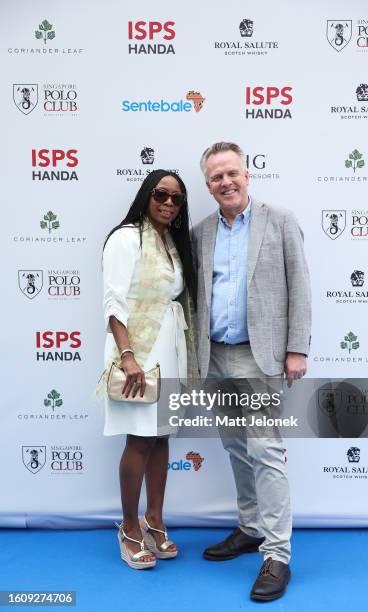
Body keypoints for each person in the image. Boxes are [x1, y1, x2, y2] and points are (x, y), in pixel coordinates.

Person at [193, 142, 311, 601]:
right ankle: (249, 527)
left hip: (258, 356)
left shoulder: (279, 220)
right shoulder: (202, 230)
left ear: (247, 174)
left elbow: (300, 286)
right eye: (216, 177)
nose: (226, 181)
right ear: (208, 185)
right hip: (215, 355)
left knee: (265, 451)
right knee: (236, 448)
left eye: (232, 173)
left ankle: (277, 555)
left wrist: (296, 348)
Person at [101, 170, 197, 570]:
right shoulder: (127, 237)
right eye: (161, 194)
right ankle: (128, 527)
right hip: (138, 350)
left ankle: (154, 518)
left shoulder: (171, 241)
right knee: (139, 440)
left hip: (169, 348)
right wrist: (127, 357)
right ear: (147, 195)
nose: (168, 203)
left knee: (160, 438)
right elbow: (113, 301)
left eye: (177, 199)